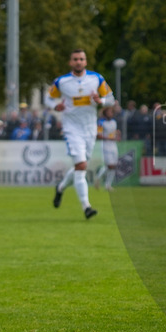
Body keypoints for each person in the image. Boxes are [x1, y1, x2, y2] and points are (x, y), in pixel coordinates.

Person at [47, 48, 115, 219]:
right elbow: (48, 97)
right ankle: (86, 207)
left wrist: (101, 100)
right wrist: (55, 106)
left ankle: (60, 188)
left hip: (90, 129)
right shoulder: (62, 81)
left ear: (85, 62)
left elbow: (111, 98)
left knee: (80, 167)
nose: (78, 62)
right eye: (75, 59)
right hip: (72, 129)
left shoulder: (96, 78)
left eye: (81, 59)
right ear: (70, 62)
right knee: (82, 166)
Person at [94, 106, 120, 191]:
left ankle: (108, 185)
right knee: (109, 165)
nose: (111, 113)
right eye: (109, 112)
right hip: (105, 145)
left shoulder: (114, 122)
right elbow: (98, 135)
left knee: (113, 165)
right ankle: (99, 178)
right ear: (105, 113)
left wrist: (117, 134)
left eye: (111, 112)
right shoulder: (101, 122)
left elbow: (114, 133)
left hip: (113, 145)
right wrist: (109, 138)